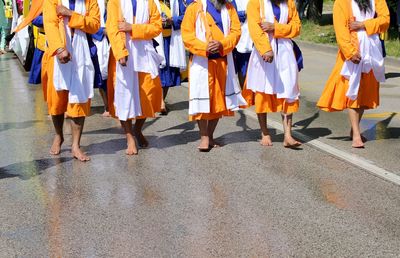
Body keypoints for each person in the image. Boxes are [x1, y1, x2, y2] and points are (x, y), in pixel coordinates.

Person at [317, 0, 389, 148]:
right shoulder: (341, 2)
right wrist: (350, 52)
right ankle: (356, 134)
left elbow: (385, 20)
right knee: (353, 90)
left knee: (363, 92)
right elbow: (341, 29)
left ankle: (353, 129)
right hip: (352, 49)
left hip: (372, 49)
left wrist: (364, 25)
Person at [181, 0, 246, 151]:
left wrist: (222, 44)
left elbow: (236, 32)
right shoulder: (194, 8)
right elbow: (187, 35)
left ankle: (210, 135)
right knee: (202, 99)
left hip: (222, 60)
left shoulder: (229, 8)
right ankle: (204, 136)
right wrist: (205, 47)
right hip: (201, 60)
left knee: (219, 101)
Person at [42, 0, 100, 161]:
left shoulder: (90, 1)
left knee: (79, 100)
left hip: (81, 52)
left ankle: (76, 146)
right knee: (57, 101)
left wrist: (70, 14)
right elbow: (50, 24)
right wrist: (60, 49)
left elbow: (95, 25)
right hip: (57, 53)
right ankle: (59, 135)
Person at [106, 0, 164, 155]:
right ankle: (129, 136)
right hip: (123, 51)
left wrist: (133, 28)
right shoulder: (114, 2)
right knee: (124, 96)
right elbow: (112, 28)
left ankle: (137, 129)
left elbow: (157, 27)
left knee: (149, 94)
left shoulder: (149, 2)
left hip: (144, 51)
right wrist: (120, 53)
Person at [245, 0, 302, 147]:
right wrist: (266, 49)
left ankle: (288, 135)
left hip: (285, 51)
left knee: (289, 91)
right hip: (264, 52)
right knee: (263, 91)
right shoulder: (255, 3)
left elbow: (296, 27)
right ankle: (264, 133)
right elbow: (254, 28)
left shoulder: (289, 3)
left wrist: (275, 27)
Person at [155, 0, 187, 115]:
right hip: (155, 40)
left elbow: (186, 16)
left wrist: (172, 20)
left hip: (171, 41)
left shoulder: (176, 2)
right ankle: (158, 101)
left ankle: (161, 101)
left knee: (168, 71)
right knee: (156, 71)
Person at [92, 0, 110, 117]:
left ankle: (109, 106)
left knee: (107, 76)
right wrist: (101, 31)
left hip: (108, 42)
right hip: (94, 40)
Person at [231, 0, 253, 87]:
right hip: (242, 42)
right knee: (242, 70)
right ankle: (244, 95)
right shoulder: (234, 2)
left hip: (257, 41)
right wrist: (244, 13)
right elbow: (230, 14)